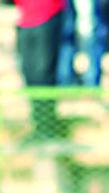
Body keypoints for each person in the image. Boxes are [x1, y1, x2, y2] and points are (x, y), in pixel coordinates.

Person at [13, 0, 66, 141]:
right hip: (25, 19)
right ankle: (37, 125)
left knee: (43, 74)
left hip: (48, 15)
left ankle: (48, 127)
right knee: (29, 74)